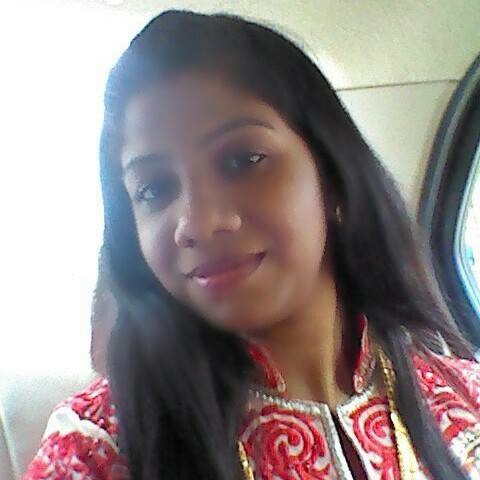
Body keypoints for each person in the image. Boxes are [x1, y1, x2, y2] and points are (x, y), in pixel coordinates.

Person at [24, 10, 480, 480]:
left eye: (243, 160)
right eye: (154, 189)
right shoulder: (97, 448)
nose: (198, 224)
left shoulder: (463, 401)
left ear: (334, 179)